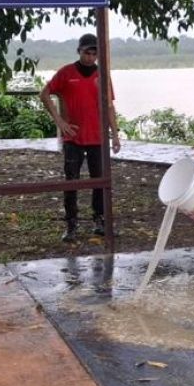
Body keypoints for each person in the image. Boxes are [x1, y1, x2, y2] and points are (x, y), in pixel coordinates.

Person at [40, 33, 121, 242]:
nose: (90, 57)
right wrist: (60, 122)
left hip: (98, 137)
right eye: (87, 52)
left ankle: (100, 220)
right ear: (79, 51)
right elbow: (45, 93)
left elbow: (109, 106)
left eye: (94, 53)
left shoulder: (102, 75)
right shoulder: (67, 73)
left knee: (99, 181)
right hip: (73, 138)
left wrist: (115, 133)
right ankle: (71, 223)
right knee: (71, 181)